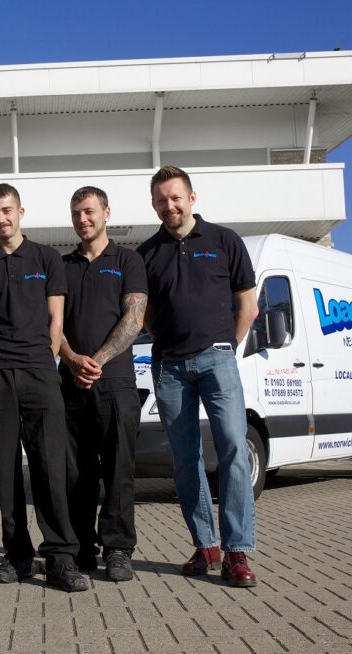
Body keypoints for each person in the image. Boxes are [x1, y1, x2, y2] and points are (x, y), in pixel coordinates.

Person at [136, 165, 260, 588]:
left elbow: (248, 305)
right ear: (153, 205)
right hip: (169, 368)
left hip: (217, 361)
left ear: (192, 198)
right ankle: (205, 545)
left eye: (175, 197)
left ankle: (237, 552)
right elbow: (147, 315)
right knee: (185, 461)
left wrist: (226, 346)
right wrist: (170, 342)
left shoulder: (225, 241)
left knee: (232, 451)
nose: (169, 206)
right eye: (160, 200)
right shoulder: (146, 254)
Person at [0, 183, 87, 592]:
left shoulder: (47, 258)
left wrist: (50, 359)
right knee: (5, 470)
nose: (1, 218)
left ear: (21, 211)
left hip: (41, 372)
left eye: (7, 210)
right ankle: (16, 556)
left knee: (49, 467)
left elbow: (55, 319)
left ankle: (60, 558)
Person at [59, 186, 147, 582]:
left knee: (117, 468)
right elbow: (52, 324)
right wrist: (72, 358)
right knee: (75, 472)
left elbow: (134, 318)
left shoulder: (128, 260)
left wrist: (98, 360)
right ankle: (80, 548)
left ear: (107, 213)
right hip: (71, 383)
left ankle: (118, 549)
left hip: (115, 383)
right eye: (77, 213)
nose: (83, 219)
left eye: (90, 211)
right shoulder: (61, 265)